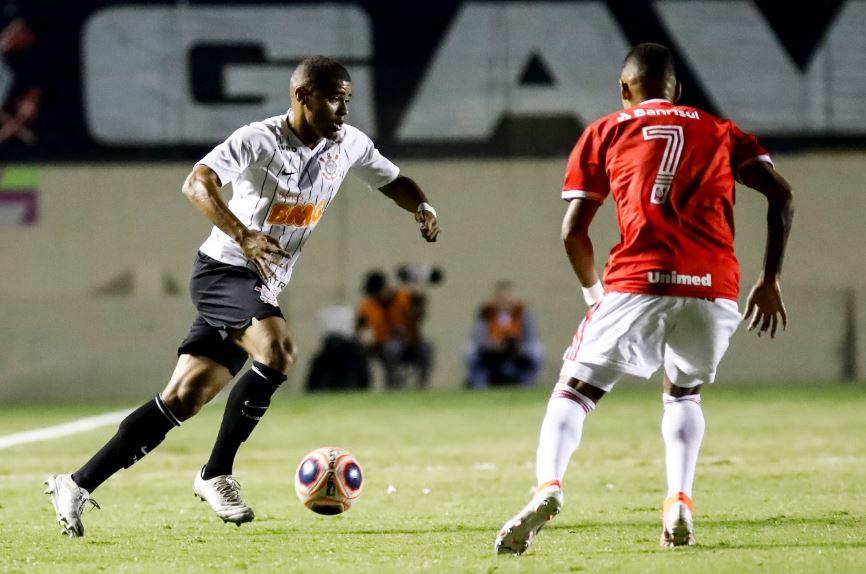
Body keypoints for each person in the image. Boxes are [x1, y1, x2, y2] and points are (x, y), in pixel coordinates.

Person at [44, 56, 440, 537]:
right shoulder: (260, 138)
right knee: (279, 349)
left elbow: (393, 180)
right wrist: (243, 233)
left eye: (348, 99)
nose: (344, 109)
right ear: (303, 96)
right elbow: (197, 182)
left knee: (184, 398)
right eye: (335, 97)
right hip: (223, 272)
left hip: (260, 286)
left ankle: (76, 483)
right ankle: (216, 473)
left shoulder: (348, 144)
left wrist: (420, 204)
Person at [495, 43, 793, 555]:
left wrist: (595, 296)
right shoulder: (720, 131)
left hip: (638, 279)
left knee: (573, 392)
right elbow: (781, 195)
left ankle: (548, 488)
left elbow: (573, 231)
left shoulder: (607, 130)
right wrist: (769, 278)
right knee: (683, 393)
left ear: (624, 89)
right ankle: (679, 500)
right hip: (715, 285)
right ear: (678, 89)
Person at [356, 270, 433, 389]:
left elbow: (418, 315)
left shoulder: (404, 297)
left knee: (427, 348)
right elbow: (361, 329)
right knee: (392, 348)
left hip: (411, 342)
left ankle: (422, 385)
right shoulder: (367, 306)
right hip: (383, 346)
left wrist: (419, 298)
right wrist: (365, 338)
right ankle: (393, 385)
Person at [465, 280, 543, 388]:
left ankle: (527, 386)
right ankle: (479, 387)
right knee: (470, 351)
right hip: (491, 351)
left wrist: (516, 344)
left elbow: (531, 336)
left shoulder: (522, 312)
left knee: (537, 350)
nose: (504, 301)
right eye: (501, 297)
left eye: (507, 297)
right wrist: (492, 344)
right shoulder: (486, 312)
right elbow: (478, 337)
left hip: (518, 350)